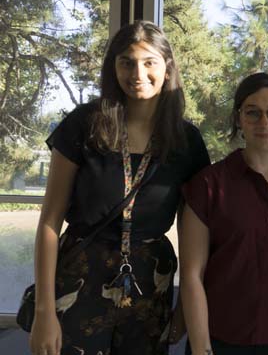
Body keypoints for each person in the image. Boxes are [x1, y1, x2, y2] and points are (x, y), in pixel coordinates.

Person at [29, 20, 210, 355]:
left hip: (149, 282)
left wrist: (185, 306)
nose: (137, 74)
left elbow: (192, 236)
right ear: (113, 67)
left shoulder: (187, 142)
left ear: (167, 67)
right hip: (81, 272)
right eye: (126, 62)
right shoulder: (84, 125)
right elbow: (50, 222)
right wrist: (44, 312)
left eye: (149, 62)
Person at [179, 72, 268, 355]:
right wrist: (201, 349)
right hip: (222, 341)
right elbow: (191, 275)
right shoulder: (208, 186)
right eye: (253, 113)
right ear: (238, 119)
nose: (265, 123)